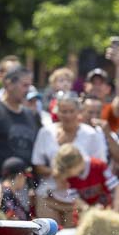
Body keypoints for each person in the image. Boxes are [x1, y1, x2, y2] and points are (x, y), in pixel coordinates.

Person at [32, 92, 106, 223]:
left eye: (71, 111)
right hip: (48, 196)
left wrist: (71, 175)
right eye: (63, 111)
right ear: (57, 112)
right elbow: (37, 165)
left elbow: (100, 166)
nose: (67, 115)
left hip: (80, 199)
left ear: (79, 111)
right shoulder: (46, 132)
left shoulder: (91, 134)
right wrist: (56, 174)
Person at [0, 65, 39, 174]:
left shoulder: (30, 114)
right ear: (9, 84)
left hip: (24, 184)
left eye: (30, 86)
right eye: (25, 85)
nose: (28, 91)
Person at [52, 143, 119, 214]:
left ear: (74, 165)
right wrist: (90, 210)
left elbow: (117, 188)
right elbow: (76, 199)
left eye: (67, 171)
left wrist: (115, 211)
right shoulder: (70, 177)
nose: (66, 174)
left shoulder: (98, 166)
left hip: (106, 212)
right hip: (86, 216)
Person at [0, 156, 31, 221]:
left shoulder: (5, 192)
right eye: (25, 177)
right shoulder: (5, 194)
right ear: (20, 176)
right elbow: (12, 220)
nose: (25, 180)